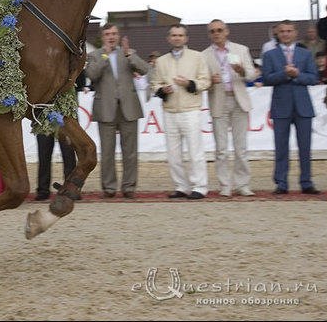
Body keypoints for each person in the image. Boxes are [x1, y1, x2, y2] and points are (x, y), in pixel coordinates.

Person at [86, 24, 149, 199]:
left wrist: (129, 55)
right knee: (107, 152)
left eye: (114, 33)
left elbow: (145, 69)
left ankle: (129, 187)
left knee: (130, 151)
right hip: (105, 109)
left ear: (119, 35)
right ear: (102, 37)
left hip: (128, 108)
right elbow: (92, 75)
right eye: (107, 34)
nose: (111, 37)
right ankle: (109, 187)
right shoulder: (94, 55)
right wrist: (105, 55)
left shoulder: (128, 53)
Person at [149, 24, 211, 199]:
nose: (177, 38)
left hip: (190, 109)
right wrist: (162, 90)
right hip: (170, 110)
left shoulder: (197, 57)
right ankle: (181, 186)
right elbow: (155, 84)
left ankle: (200, 186)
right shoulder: (161, 61)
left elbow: (205, 81)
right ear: (169, 38)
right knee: (173, 153)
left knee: (195, 150)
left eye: (180, 35)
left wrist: (189, 83)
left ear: (186, 38)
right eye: (174, 35)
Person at [261, 20, 320, 195]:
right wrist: (284, 74)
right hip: (281, 106)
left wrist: (297, 75)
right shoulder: (270, 55)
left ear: (295, 33)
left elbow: (312, 77)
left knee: (305, 146)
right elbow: (267, 78)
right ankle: (281, 182)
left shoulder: (305, 54)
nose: (286, 34)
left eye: (289, 31)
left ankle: (306, 181)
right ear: (277, 34)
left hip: (303, 106)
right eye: (282, 31)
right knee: (281, 147)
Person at [201, 19, 258, 197]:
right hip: (219, 100)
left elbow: (252, 74)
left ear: (226, 31)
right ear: (209, 34)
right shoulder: (204, 55)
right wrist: (210, 81)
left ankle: (242, 184)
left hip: (238, 99)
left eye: (219, 30)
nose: (216, 33)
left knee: (241, 147)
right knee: (221, 148)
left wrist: (242, 71)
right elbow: (202, 82)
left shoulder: (241, 50)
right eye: (212, 31)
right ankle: (225, 185)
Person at [33, 72, 86, 201]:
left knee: (69, 154)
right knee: (44, 154)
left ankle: (71, 188)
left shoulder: (71, 62)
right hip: (43, 112)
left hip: (65, 113)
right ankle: (43, 189)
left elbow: (81, 82)